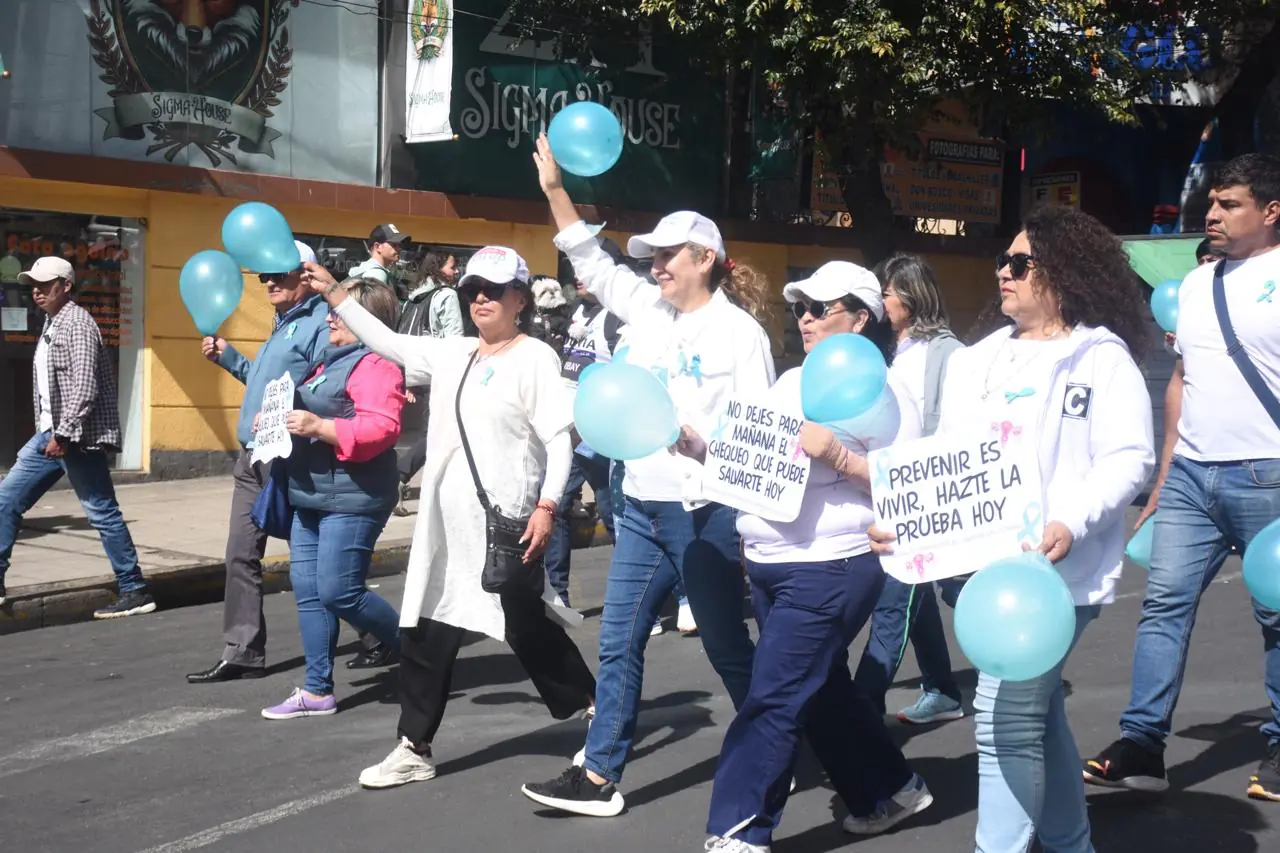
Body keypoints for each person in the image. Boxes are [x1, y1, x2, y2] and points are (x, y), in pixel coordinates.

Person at [874, 205, 1155, 852]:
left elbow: (1129, 456)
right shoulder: (979, 360)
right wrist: (903, 523)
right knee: (1038, 714)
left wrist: (1071, 519)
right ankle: (1069, 841)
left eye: (1019, 263)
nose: (1003, 271)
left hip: (1060, 577)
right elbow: (946, 466)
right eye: (1002, 260)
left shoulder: (1099, 357)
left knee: (1003, 718)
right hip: (996, 575)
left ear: (1064, 273)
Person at [521, 133, 773, 817]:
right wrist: (553, 191)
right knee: (617, 637)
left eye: (667, 255)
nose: (656, 266)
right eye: (653, 257)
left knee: (726, 648)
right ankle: (600, 774)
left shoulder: (738, 336)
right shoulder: (648, 312)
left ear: (706, 260)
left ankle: (775, 740)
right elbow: (589, 259)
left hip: (704, 515)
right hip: (639, 506)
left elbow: (761, 439)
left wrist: (704, 450)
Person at [300, 247, 596, 788]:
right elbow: (388, 342)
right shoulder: (455, 353)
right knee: (426, 631)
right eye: (472, 289)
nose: (480, 297)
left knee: (528, 629)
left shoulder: (534, 359)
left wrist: (549, 505)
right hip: (447, 526)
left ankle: (596, 713)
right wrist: (335, 292)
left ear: (520, 300)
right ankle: (414, 746)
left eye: (493, 289)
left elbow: (558, 440)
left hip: (505, 526)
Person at [681, 261, 933, 852]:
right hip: (772, 564)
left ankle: (739, 829)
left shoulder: (885, 393)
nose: (806, 318)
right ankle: (891, 789)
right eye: (800, 308)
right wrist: (702, 450)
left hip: (833, 565)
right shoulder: (791, 380)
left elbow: (911, 486)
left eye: (821, 308)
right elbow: (756, 460)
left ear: (861, 318)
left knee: (773, 695)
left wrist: (842, 460)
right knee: (820, 689)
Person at [1083, 153, 1280, 803]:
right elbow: (1183, 383)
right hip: (1193, 478)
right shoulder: (1198, 286)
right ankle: (1143, 743)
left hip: (1269, 476)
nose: (1212, 213)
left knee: (1277, 617)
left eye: (1230, 205)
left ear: (1271, 212)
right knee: (1164, 606)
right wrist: (1167, 473)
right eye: (1213, 202)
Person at [260, 277, 406, 720]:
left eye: (339, 312)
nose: (329, 317)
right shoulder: (327, 361)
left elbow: (381, 428)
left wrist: (320, 427)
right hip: (310, 496)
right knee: (308, 593)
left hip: (352, 498)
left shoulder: (378, 365)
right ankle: (317, 689)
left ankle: (414, 649)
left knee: (339, 592)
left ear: (367, 319)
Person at [187, 241, 332, 683]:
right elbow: (265, 386)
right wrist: (230, 358)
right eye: (263, 276)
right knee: (239, 552)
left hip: (289, 455)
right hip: (253, 454)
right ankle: (243, 650)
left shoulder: (319, 325)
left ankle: (372, 631)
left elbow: (327, 389)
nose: (269, 282)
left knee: (316, 559)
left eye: (279, 275)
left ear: (304, 276)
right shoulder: (282, 324)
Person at [0, 257, 155, 618]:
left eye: (45, 283)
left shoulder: (78, 324)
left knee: (101, 513)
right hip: (50, 435)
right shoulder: (52, 323)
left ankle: (134, 588)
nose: (36, 290)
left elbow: (84, 387)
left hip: (76, 438)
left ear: (65, 286)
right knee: (6, 501)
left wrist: (65, 434)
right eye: (33, 285)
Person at [853, 253, 967, 724]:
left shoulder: (948, 353)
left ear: (911, 296)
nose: (882, 300)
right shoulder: (896, 351)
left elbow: (951, 423)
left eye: (888, 291)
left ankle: (862, 704)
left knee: (898, 598)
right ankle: (942, 689)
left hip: (921, 488)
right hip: (893, 486)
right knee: (913, 593)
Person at [544, 238, 627, 608]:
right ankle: (557, 596)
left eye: (586, 268)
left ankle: (639, 598)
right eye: (575, 268)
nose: (578, 275)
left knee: (618, 518)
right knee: (557, 506)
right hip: (572, 430)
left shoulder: (619, 318)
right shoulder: (578, 311)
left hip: (606, 436)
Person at [393, 250, 465, 518]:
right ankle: (399, 476)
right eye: (452, 265)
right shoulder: (446, 295)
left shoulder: (411, 299)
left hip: (415, 373)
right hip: (438, 373)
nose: (456, 271)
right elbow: (454, 341)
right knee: (436, 433)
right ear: (438, 268)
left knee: (435, 431)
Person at [349, 224, 411, 292]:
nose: (399, 249)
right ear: (377, 247)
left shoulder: (365, 269)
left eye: (399, 245)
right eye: (394, 245)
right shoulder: (377, 275)